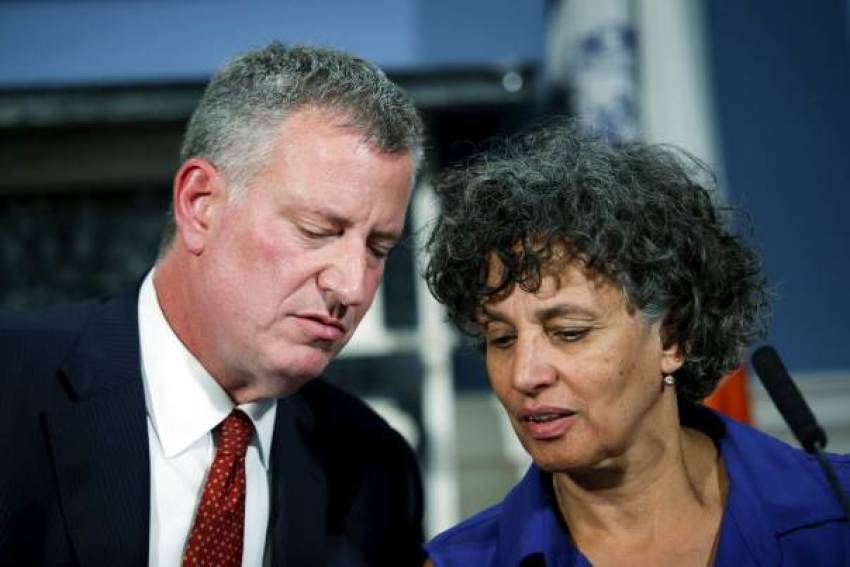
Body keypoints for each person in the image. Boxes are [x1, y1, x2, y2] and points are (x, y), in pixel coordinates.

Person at [0, 42, 426, 567]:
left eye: (378, 248)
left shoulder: (374, 470)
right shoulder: (10, 387)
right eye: (317, 231)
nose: (353, 286)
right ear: (200, 205)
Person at [423, 120, 850, 565]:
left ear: (672, 336)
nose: (524, 375)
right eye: (503, 338)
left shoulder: (837, 514)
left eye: (569, 332)